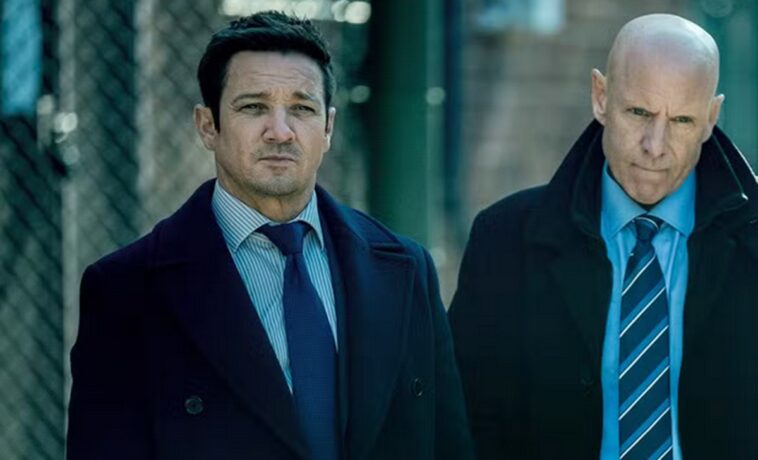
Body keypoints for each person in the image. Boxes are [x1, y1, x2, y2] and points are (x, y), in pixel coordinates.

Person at [67, 11, 473, 460]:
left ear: (328, 128)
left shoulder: (406, 269)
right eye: (253, 107)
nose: (280, 131)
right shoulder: (126, 289)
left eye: (302, 108)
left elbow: (449, 444)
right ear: (208, 126)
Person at [449, 13, 758, 459]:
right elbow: (466, 426)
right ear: (600, 97)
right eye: (639, 112)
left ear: (711, 119)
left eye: (682, 121)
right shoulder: (503, 240)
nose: (655, 145)